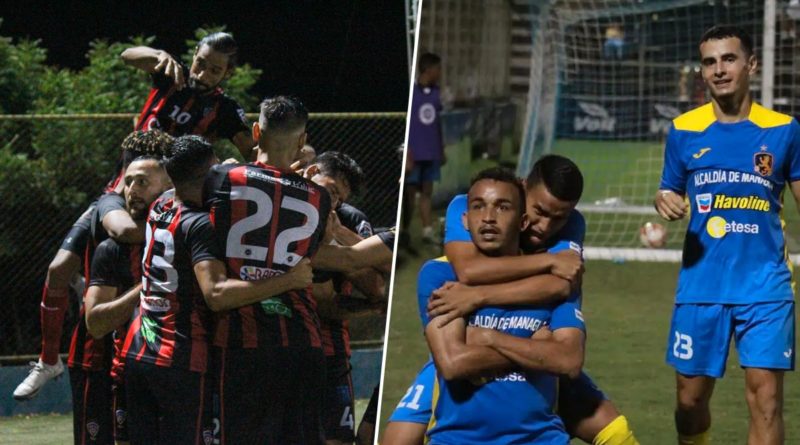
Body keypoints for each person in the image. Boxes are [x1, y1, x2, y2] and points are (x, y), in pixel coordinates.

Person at [385, 156, 639, 445]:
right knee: (397, 439)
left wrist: (483, 319)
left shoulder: (572, 224)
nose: (544, 226)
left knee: (617, 434)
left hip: (510, 349)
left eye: (558, 218)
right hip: (471, 355)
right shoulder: (471, 204)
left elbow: (561, 286)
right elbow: (469, 271)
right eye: (540, 211)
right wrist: (540, 349)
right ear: (521, 190)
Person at [654, 25, 797, 445]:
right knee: (690, 402)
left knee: (766, 401)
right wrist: (664, 201)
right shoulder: (683, 130)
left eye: (729, 59)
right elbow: (669, 190)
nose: (719, 70)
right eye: (710, 62)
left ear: (751, 64)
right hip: (702, 284)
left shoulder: (785, 129)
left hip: (765, 285)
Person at [203, 96, 332, 444]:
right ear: (302, 142)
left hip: (242, 341)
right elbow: (310, 256)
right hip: (304, 341)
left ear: (256, 131)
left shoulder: (222, 177)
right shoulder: (320, 197)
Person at [83, 156, 172, 445]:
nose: (132, 188)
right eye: (129, 181)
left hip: (186, 369)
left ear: (169, 184)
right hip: (131, 374)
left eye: (143, 182)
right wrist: (145, 286)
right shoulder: (112, 250)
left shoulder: (191, 233)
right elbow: (95, 323)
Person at [403, 52, 445, 246]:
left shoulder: (436, 92)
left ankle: (427, 231)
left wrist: (441, 148)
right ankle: (404, 232)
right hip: (414, 153)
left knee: (427, 192)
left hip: (432, 151)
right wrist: (408, 152)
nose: (440, 72)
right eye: (438, 68)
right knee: (409, 196)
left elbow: (436, 123)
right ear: (429, 69)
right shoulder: (412, 91)